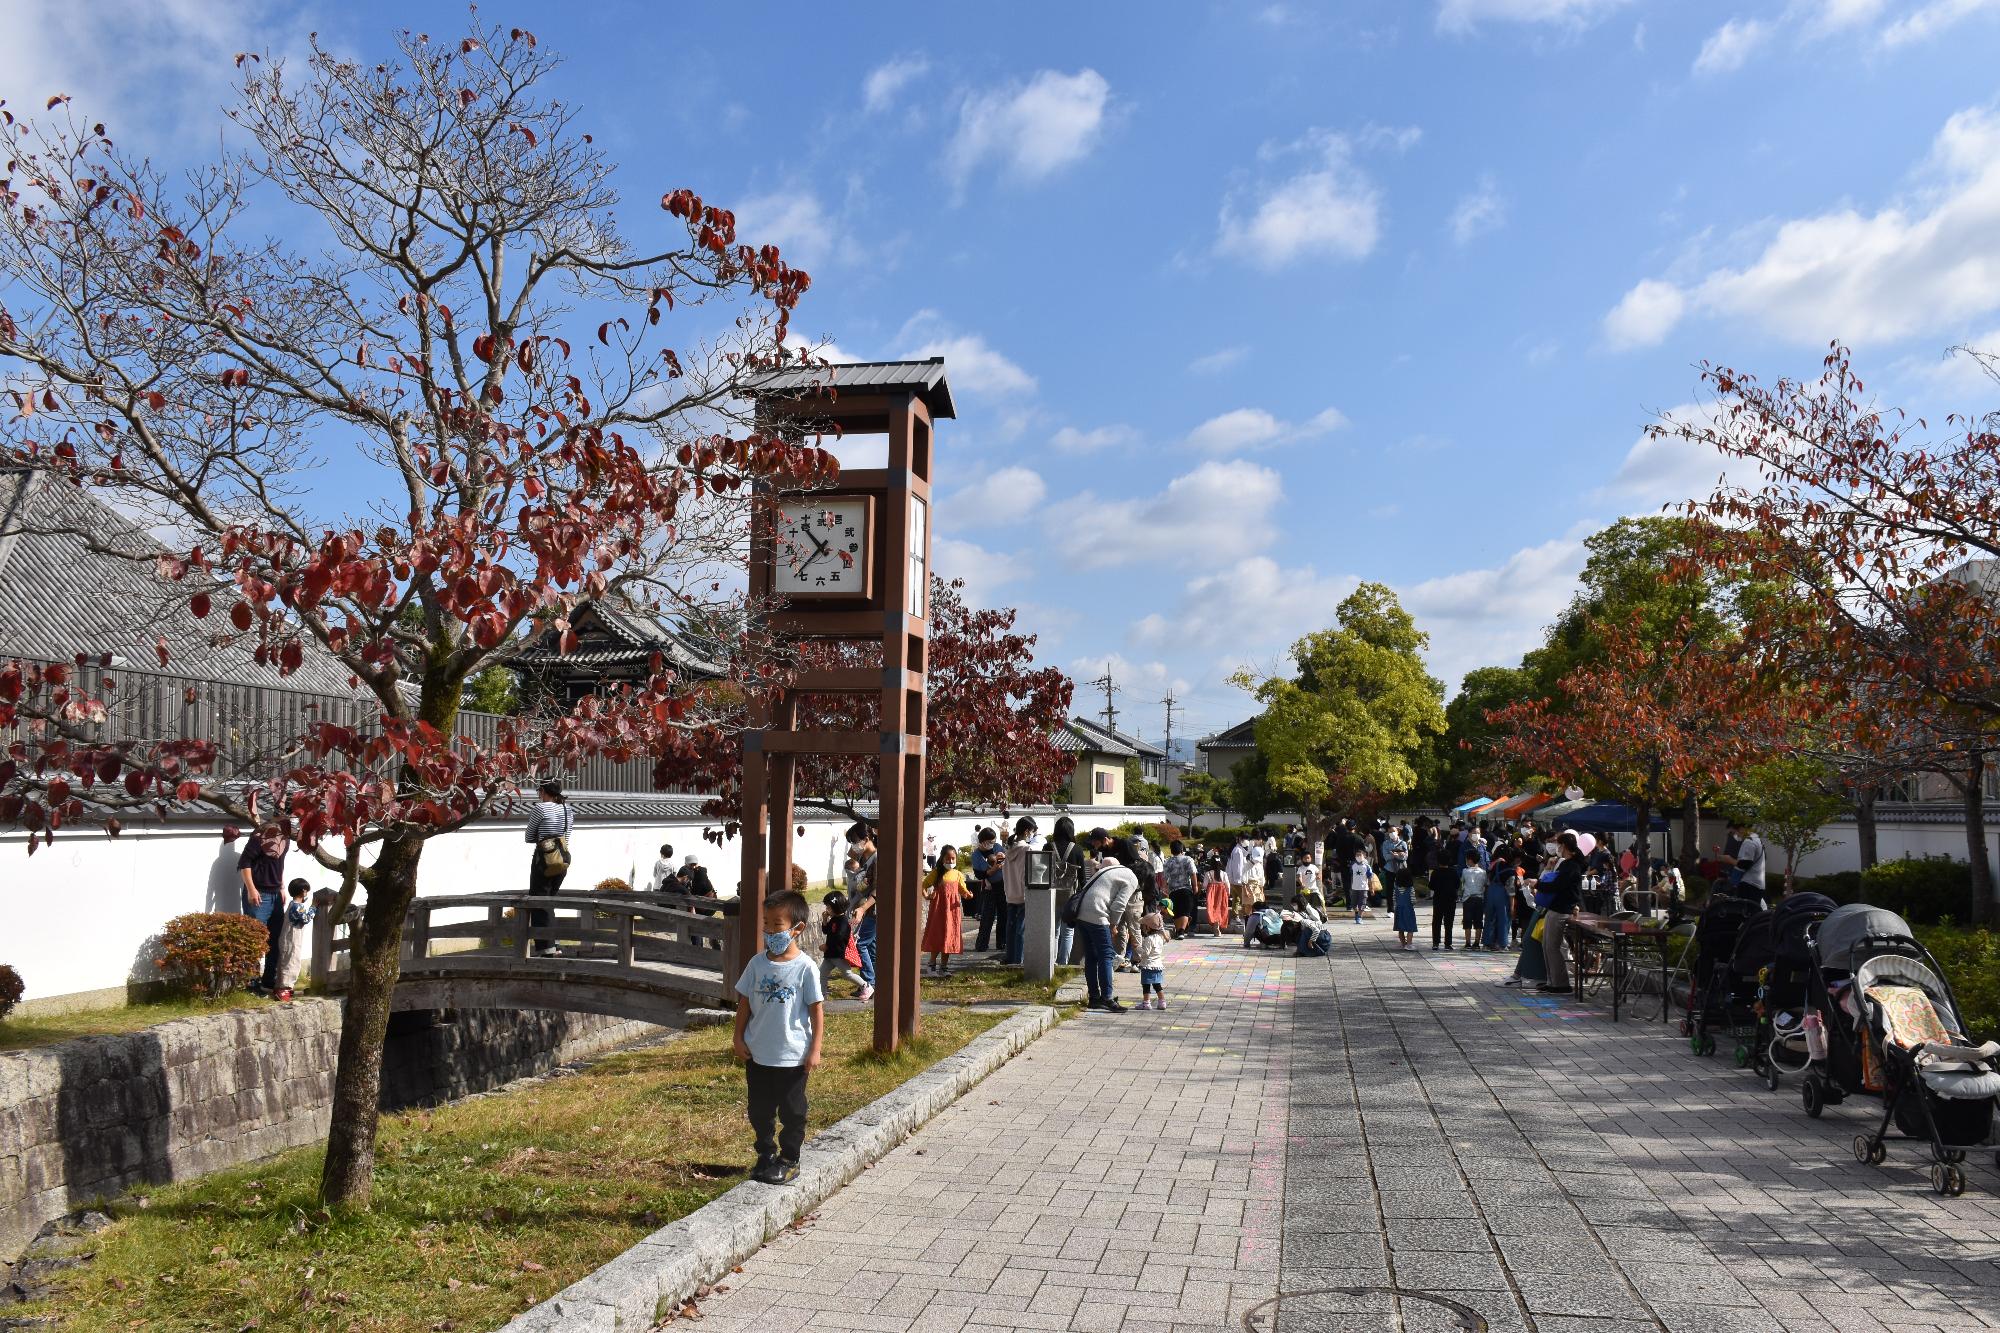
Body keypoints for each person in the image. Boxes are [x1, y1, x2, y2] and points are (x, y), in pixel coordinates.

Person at [731, 889, 824, 1187]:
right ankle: (766, 1153)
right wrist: (738, 1038)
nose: (770, 931)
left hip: (793, 1055)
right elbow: (744, 1003)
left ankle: (790, 1159)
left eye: (777, 925)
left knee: (792, 1110)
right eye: (766, 923)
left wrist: (815, 1049)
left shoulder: (805, 968)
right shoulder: (757, 964)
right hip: (758, 1053)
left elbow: (816, 1011)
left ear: (797, 929)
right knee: (759, 1109)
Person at [1072, 839, 1140, 1012]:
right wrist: (1113, 925)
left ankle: (1094, 998)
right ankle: (1108, 998)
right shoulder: (1131, 878)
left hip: (1081, 912)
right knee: (1106, 956)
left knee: (1092, 956)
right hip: (1097, 914)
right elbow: (1119, 905)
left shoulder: (1110, 869)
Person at [237, 821, 290, 993]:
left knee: (274, 940)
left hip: (275, 894)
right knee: (255, 939)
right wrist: (252, 890)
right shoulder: (258, 839)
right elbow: (244, 864)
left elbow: (280, 865)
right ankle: (252, 982)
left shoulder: (284, 840)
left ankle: (269, 980)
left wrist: (282, 887)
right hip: (259, 894)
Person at [524, 780, 573, 957]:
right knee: (549, 901)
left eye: (539, 790)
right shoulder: (568, 810)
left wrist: (542, 835)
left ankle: (547, 949)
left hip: (544, 860)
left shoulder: (540, 808)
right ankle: (555, 943)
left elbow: (529, 836)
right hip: (562, 860)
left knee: (538, 901)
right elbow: (566, 836)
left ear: (543, 791)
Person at [1540, 831, 1587, 994]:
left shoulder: (1571, 865)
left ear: (1564, 846)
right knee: (1547, 945)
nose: (1556, 847)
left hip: (1561, 910)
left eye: (1558, 844)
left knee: (1553, 947)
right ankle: (1551, 980)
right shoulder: (1567, 863)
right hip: (1555, 908)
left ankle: (1561, 983)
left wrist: (1537, 885)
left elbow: (1557, 886)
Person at [921, 845, 973, 977]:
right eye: (948, 859)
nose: (950, 862)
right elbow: (923, 885)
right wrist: (927, 896)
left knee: (949, 936)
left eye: (953, 859)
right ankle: (931, 965)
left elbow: (963, 890)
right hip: (939, 910)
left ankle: (944, 967)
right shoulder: (936, 872)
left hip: (952, 911)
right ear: (942, 858)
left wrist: (968, 895)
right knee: (938, 935)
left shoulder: (958, 874)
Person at [998, 816, 1040, 968]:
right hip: (1022, 893)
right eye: (1033, 832)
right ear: (1027, 831)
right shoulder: (1026, 849)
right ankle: (1018, 960)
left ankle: (1010, 958)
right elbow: (1025, 873)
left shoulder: (1009, 848)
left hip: (1010, 892)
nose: (1032, 835)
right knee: (1021, 929)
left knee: (1011, 927)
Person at [847, 823, 879, 1002]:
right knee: (871, 947)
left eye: (855, 841)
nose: (853, 845)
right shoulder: (866, 860)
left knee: (861, 944)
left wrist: (862, 908)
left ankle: (867, 983)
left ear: (867, 839)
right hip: (866, 910)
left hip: (871, 910)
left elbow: (878, 889)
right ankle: (872, 983)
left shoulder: (877, 859)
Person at [274, 878, 315, 1002]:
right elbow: (306, 918)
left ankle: (280, 988)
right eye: (306, 891)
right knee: (291, 962)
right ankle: (284, 989)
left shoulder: (293, 904)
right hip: (292, 938)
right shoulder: (298, 906)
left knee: (285, 961)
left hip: (288, 937)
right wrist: (314, 907)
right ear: (303, 891)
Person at [819, 890, 859, 992]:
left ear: (835, 907)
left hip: (838, 954)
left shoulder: (843, 921)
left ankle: (866, 987)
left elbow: (839, 937)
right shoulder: (834, 919)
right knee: (822, 974)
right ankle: (822, 995)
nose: (826, 909)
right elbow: (825, 930)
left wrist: (827, 946)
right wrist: (824, 919)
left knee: (847, 974)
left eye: (828, 907)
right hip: (830, 954)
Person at [971, 828, 1003, 954]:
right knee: (987, 917)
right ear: (983, 842)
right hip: (989, 887)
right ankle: (982, 944)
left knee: (1003, 916)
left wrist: (1004, 857)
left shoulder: (998, 847)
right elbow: (980, 875)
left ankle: (1002, 943)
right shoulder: (976, 855)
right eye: (990, 841)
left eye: (994, 841)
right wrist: (993, 869)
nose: (992, 843)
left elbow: (1007, 860)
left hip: (1003, 885)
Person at [1162, 839, 1199, 938]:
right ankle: (1181, 931)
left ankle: (1180, 931)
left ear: (1171, 850)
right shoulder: (1188, 859)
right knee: (1185, 911)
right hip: (1186, 889)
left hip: (1173, 890)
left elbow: (1164, 877)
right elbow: (1193, 873)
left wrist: (1164, 889)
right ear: (1182, 849)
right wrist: (1195, 887)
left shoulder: (1167, 861)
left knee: (1177, 911)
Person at [1134, 910, 1170, 1010]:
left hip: (1148, 965)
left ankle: (1146, 1003)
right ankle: (1162, 1002)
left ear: (1148, 927)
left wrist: (1137, 948)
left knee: (1146, 985)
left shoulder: (1148, 939)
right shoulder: (1159, 938)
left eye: (1144, 925)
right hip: (1158, 965)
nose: (1143, 928)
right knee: (1157, 985)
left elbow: (1145, 953)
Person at [1730, 819, 1768, 906]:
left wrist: (1729, 859)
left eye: (1734, 832)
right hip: (1758, 884)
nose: (1735, 835)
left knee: (1745, 913)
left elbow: (1745, 864)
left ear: (1741, 829)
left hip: (1749, 885)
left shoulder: (1749, 842)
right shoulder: (1757, 840)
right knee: (1753, 913)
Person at [1428, 851, 1460, 951]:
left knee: (1436, 921)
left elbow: (1431, 886)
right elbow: (1457, 885)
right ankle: (1448, 943)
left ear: (1438, 861)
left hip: (1438, 899)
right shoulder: (1453, 871)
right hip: (1450, 899)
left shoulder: (1435, 872)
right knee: (1449, 922)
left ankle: (1435, 943)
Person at [1484, 853, 1515, 952]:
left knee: (1489, 919)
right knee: (1504, 919)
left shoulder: (1495, 866)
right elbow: (1511, 892)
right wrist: (1512, 906)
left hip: (1491, 892)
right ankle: (1502, 944)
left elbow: (1487, 880)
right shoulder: (1511, 872)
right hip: (1502, 895)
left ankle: (1487, 944)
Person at [1460, 849, 1488, 950]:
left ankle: (1468, 943)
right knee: (1478, 921)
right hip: (1479, 898)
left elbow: (1462, 882)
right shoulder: (1483, 872)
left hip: (1468, 898)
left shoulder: (1465, 871)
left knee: (1467, 921)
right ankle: (1476, 943)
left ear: (1470, 860)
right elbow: (1485, 884)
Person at [1203, 857, 1233, 937]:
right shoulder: (1224, 873)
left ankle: (1216, 926)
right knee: (1221, 909)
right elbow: (1227, 885)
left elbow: (1205, 886)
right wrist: (1228, 894)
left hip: (1211, 893)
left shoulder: (1208, 873)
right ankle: (1218, 925)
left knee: (1212, 908)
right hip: (1222, 892)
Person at [1391, 867, 1418, 950]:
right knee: (1410, 927)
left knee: (1400, 928)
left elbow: (1394, 899)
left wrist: (1396, 906)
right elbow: (1413, 900)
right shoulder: (1410, 889)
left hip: (1398, 910)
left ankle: (1403, 944)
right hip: (1408, 910)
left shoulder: (1396, 889)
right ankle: (1409, 944)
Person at [1347, 848, 1377, 923]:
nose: (1358, 857)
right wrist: (1350, 887)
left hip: (1364, 888)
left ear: (1364, 856)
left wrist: (1371, 888)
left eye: (1360, 855)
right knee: (1353, 904)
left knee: (1362, 903)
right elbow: (1351, 876)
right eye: (1357, 855)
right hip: (1354, 888)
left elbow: (1370, 878)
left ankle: (1359, 917)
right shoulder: (1353, 865)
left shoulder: (1367, 867)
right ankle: (1356, 913)